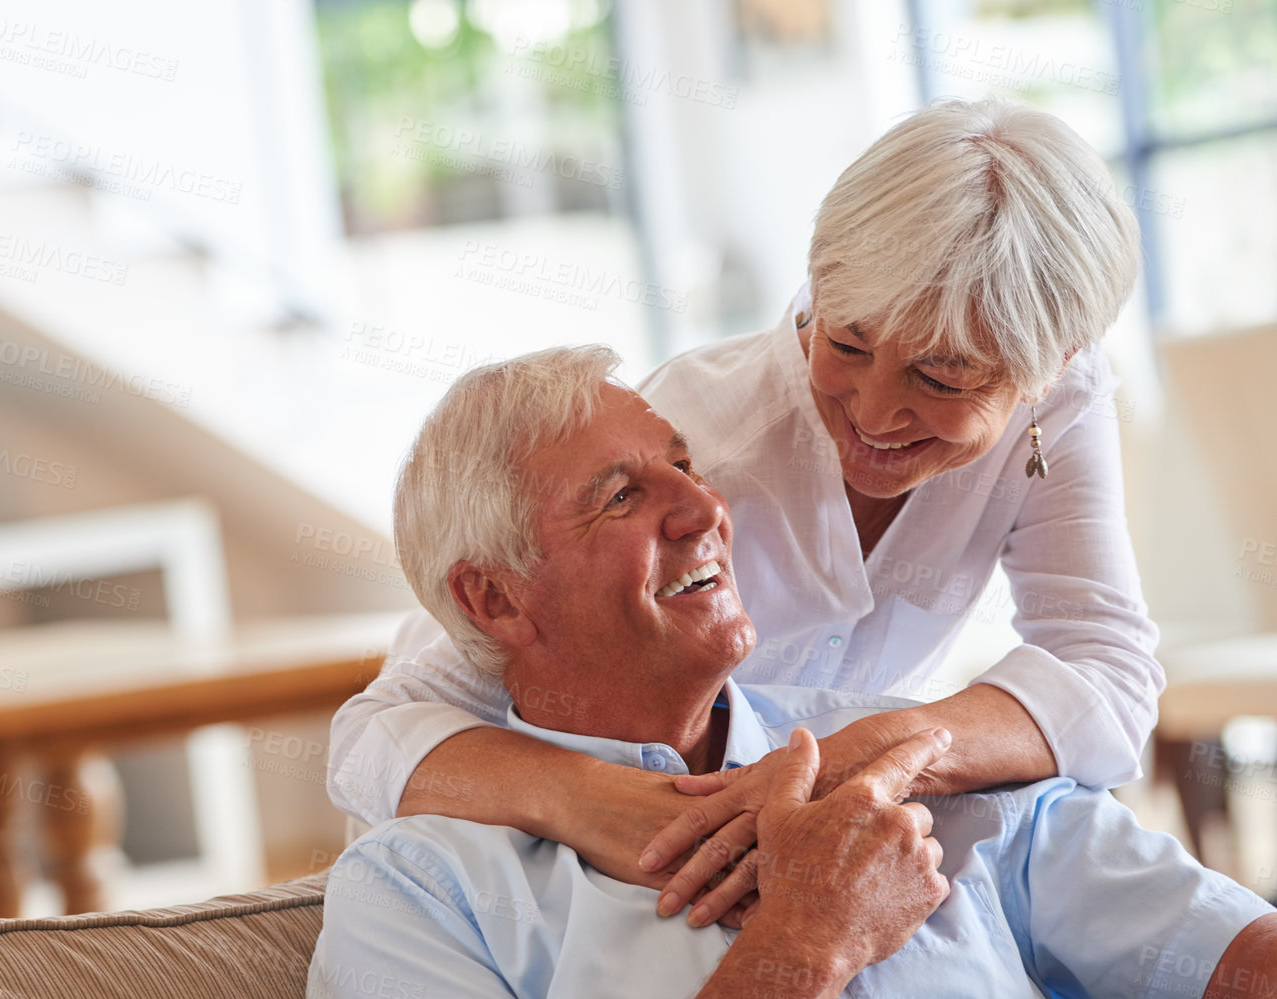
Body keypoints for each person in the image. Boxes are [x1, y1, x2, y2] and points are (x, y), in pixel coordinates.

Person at [305, 351, 1277, 999]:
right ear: (495, 601)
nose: (703, 509)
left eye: (685, 465)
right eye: (619, 496)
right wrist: (807, 943)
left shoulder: (933, 776)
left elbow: (1261, 965)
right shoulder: (421, 894)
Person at [326, 99, 1158, 919]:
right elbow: (371, 737)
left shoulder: (1062, 404)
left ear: (1053, 367)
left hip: (798, 861)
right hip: (585, 875)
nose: (870, 413)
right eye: (845, 344)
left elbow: (1109, 675)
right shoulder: (695, 440)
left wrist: (865, 752)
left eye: (940, 379)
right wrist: (601, 805)